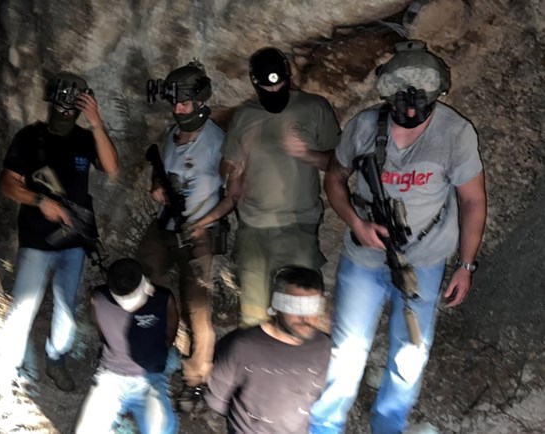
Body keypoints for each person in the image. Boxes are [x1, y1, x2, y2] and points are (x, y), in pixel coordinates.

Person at [309, 40, 487, 434]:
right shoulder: (364, 126)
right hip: (364, 256)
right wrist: (356, 223)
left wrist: (466, 265)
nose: (408, 114)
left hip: (424, 258)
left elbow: (473, 201)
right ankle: (325, 425)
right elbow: (335, 178)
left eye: (418, 107)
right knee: (347, 349)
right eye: (400, 106)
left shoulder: (455, 133)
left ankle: (389, 425)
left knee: (411, 351)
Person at [190, 46, 341, 327]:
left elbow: (340, 163)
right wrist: (232, 169)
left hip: (297, 225)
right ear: (255, 83)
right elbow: (227, 169)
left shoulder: (314, 108)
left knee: (300, 313)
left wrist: (307, 154)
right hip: (253, 229)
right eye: (267, 87)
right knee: (253, 317)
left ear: (287, 76)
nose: (274, 91)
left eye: (279, 84)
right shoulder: (244, 116)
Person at [0, 71, 119, 394]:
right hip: (37, 239)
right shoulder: (29, 137)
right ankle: (7, 370)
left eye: (71, 109)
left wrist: (96, 123)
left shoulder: (85, 138)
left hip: (73, 240)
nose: (65, 114)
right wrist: (40, 201)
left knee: (67, 306)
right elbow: (7, 183)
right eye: (60, 108)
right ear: (51, 104)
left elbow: (111, 167)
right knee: (23, 306)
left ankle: (56, 361)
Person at [136, 60, 225, 408]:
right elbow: (161, 171)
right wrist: (156, 186)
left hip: (199, 232)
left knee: (198, 309)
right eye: (175, 103)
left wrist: (207, 222)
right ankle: (153, 350)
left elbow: (235, 193)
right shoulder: (171, 135)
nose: (178, 109)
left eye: (185, 103)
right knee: (146, 285)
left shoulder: (219, 142)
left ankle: (197, 379)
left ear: (201, 100)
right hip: (166, 225)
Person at [205, 265, 332, 434]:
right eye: (295, 306)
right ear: (276, 305)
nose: (305, 318)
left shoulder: (324, 347)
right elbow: (216, 399)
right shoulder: (240, 346)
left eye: (312, 306)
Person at [74, 257, 179, 434]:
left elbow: (170, 334)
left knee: (162, 430)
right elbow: (102, 332)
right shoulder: (98, 298)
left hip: (150, 378)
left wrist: (155, 356)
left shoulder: (163, 299)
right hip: (111, 376)